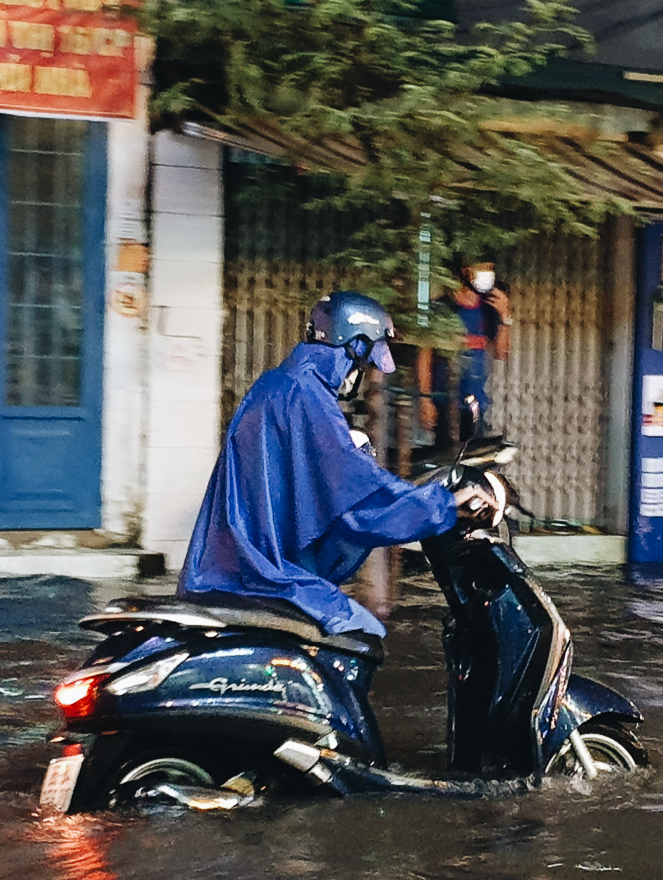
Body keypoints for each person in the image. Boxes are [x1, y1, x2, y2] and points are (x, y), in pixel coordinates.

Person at [178, 290, 483, 639]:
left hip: (230, 567)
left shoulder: (279, 386)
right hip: (262, 574)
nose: (365, 373)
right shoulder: (307, 398)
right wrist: (444, 504)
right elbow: (358, 503)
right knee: (365, 635)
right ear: (352, 347)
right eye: (366, 361)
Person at [416, 260, 513, 445]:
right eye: (483, 268)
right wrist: (425, 400)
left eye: (491, 269)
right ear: (466, 271)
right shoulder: (443, 308)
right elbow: (425, 356)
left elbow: (501, 352)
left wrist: (504, 316)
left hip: (476, 404)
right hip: (445, 403)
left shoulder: (488, 310)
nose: (488, 274)